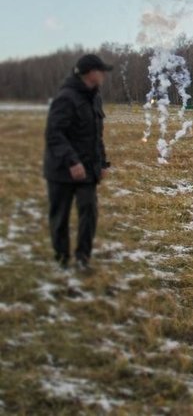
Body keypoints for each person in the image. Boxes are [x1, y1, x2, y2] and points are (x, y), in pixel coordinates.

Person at [43, 54, 113, 272]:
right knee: (60, 216)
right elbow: (54, 134)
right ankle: (62, 259)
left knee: (89, 212)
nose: (103, 74)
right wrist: (72, 162)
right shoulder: (66, 97)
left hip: (87, 170)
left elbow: (96, 136)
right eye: (100, 70)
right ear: (89, 73)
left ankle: (83, 258)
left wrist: (102, 163)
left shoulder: (95, 98)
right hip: (61, 170)